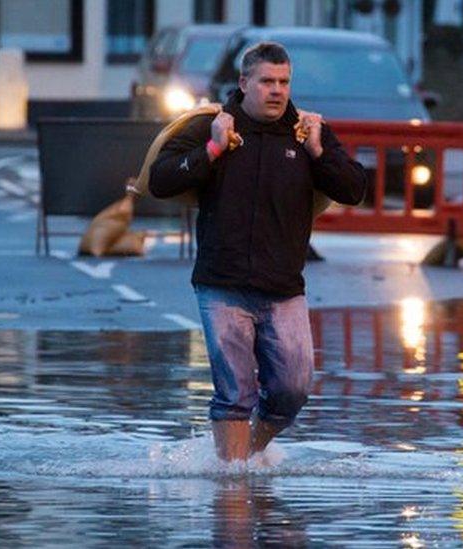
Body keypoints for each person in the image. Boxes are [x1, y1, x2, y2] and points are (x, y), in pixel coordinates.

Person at [149, 41, 367, 461]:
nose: (277, 90)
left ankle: (248, 455)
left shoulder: (306, 132)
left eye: (284, 82)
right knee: (234, 393)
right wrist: (211, 150)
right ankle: (232, 491)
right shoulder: (213, 124)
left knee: (293, 389)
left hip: (284, 288)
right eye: (267, 81)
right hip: (221, 283)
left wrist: (319, 154)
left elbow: (354, 189)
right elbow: (160, 181)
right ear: (245, 82)